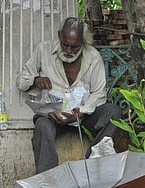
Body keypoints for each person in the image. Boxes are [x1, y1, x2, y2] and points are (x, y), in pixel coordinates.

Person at [17, 17, 122, 174]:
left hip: (82, 115)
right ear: (60, 36)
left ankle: (92, 163)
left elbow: (99, 93)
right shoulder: (44, 50)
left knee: (113, 112)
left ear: (83, 43)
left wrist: (82, 111)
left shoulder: (93, 57)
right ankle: (47, 178)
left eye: (75, 47)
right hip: (53, 115)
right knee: (42, 126)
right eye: (65, 44)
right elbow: (21, 80)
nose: (68, 51)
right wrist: (36, 80)